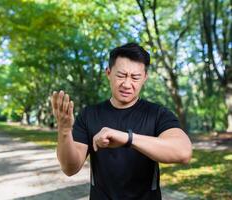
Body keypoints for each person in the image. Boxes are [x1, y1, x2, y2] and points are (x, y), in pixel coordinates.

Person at [50, 42, 192, 200]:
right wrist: (64, 132)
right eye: (121, 75)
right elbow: (70, 168)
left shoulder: (158, 114)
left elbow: (183, 152)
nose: (127, 84)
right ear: (108, 73)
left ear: (145, 77)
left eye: (135, 77)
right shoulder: (89, 115)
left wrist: (127, 138)